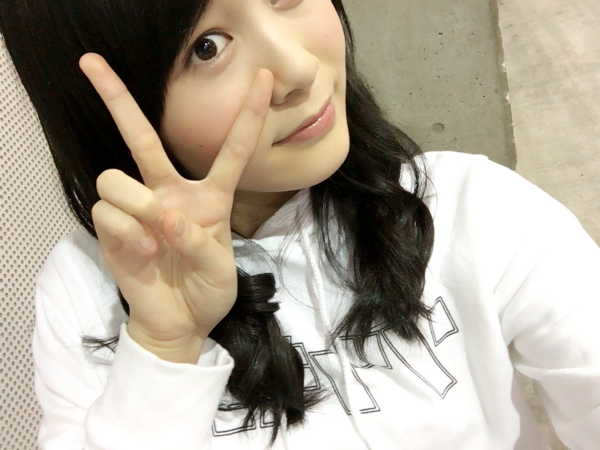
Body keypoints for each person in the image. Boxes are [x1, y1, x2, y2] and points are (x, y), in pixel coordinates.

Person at [1, 0, 599, 448]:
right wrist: (165, 348)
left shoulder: (472, 206)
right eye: (207, 47)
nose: (297, 67)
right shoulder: (86, 287)